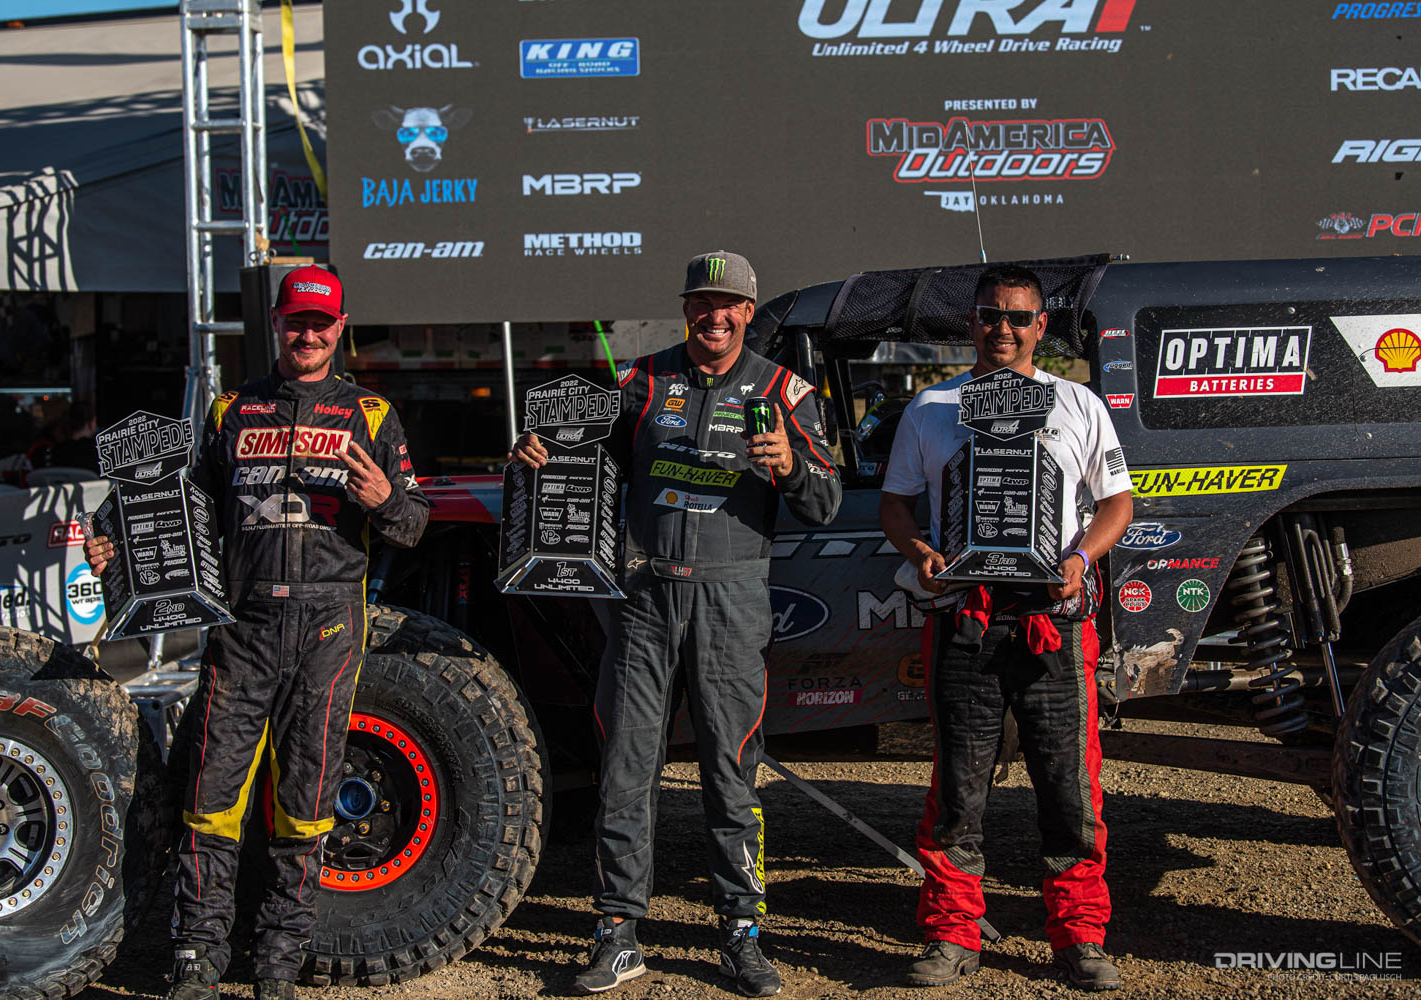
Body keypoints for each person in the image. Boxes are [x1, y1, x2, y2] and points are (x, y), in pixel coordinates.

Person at [84, 266, 429, 1000]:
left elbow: (414, 525)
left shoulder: (373, 414)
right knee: (210, 795)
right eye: (296, 320)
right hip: (242, 626)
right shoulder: (230, 411)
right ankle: (196, 957)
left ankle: (278, 961)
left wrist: (385, 499)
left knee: (305, 801)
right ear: (276, 322)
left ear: (341, 328)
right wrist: (118, 547)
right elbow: (185, 518)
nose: (308, 334)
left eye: (321, 323)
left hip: (330, 624)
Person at [511, 251, 841, 997]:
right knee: (626, 770)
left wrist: (790, 463)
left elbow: (822, 502)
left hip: (731, 601)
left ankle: (740, 932)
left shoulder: (787, 390)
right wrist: (537, 459)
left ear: (749, 312)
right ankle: (617, 930)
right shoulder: (636, 382)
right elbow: (583, 476)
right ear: (685, 305)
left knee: (732, 775)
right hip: (644, 599)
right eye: (701, 301)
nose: (713, 315)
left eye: (728, 304)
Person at [877, 265, 1133, 992]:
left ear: (1041, 326)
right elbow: (896, 504)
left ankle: (1080, 936)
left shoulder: (1078, 402)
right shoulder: (931, 406)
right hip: (967, 619)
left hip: (1054, 622)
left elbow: (1118, 502)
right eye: (991, 315)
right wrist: (921, 552)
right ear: (971, 322)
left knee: (1070, 789)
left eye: (1019, 318)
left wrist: (1082, 556)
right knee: (958, 791)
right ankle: (951, 936)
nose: (1004, 329)